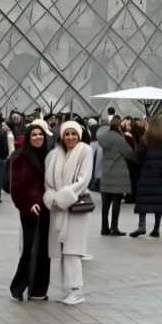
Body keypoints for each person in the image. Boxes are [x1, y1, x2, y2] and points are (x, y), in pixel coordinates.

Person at [43, 120, 93, 306]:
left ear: (79, 135)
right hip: (59, 207)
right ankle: (69, 288)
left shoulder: (85, 151)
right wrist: (53, 197)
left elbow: (83, 180)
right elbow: (48, 181)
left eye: (73, 133)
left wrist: (63, 196)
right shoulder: (54, 155)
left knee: (73, 250)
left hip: (76, 207)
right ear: (62, 136)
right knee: (64, 250)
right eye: (67, 134)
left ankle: (76, 290)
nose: (70, 137)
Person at [9, 120, 51, 301]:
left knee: (44, 250)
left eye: (40, 134)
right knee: (29, 248)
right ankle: (18, 287)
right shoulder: (20, 157)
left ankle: (38, 290)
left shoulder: (48, 155)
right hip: (30, 210)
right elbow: (16, 186)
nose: (38, 137)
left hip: (47, 207)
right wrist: (28, 204)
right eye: (34, 135)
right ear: (28, 137)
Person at [131, 117, 162, 238]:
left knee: (143, 200)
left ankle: (142, 226)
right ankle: (156, 228)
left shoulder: (145, 140)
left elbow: (138, 157)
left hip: (147, 175)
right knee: (159, 202)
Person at [96, 118, 133, 236]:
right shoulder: (119, 139)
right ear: (118, 127)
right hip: (118, 175)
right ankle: (114, 227)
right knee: (116, 203)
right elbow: (129, 154)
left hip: (106, 174)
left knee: (105, 204)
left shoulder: (103, 137)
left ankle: (104, 227)